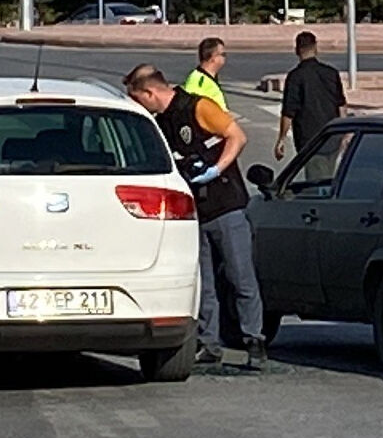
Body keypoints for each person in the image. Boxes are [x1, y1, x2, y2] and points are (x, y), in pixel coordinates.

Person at [125, 64, 267, 371]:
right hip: (192, 211)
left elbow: (236, 136)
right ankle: (209, 342)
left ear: (150, 92)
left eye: (137, 99)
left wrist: (216, 170)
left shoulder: (198, 106)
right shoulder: (160, 122)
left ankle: (254, 340)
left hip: (225, 204)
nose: (138, 106)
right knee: (202, 282)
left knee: (239, 276)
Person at [277, 31, 345, 160]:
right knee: (329, 172)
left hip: (308, 139)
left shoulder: (295, 77)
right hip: (332, 135)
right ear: (315, 48)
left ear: (297, 50)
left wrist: (281, 139)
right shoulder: (331, 73)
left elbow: (288, 112)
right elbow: (341, 104)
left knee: (316, 176)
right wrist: (344, 132)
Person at [182, 37, 228, 107]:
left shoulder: (209, 77)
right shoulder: (198, 81)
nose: (225, 57)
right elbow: (191, 110)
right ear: (213, 58)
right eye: (223, 54)